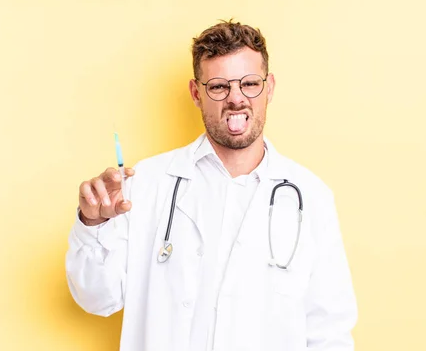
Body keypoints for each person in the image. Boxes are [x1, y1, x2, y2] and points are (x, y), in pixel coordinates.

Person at [65, 20, 357, 351]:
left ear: (270, 87)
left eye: (249, 83)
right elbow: (97, 298)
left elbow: (329, 331)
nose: (236, 99)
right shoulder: (146, 183)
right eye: (219, 86)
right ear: (196, 92)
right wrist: (93, 224)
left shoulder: (311, 196)